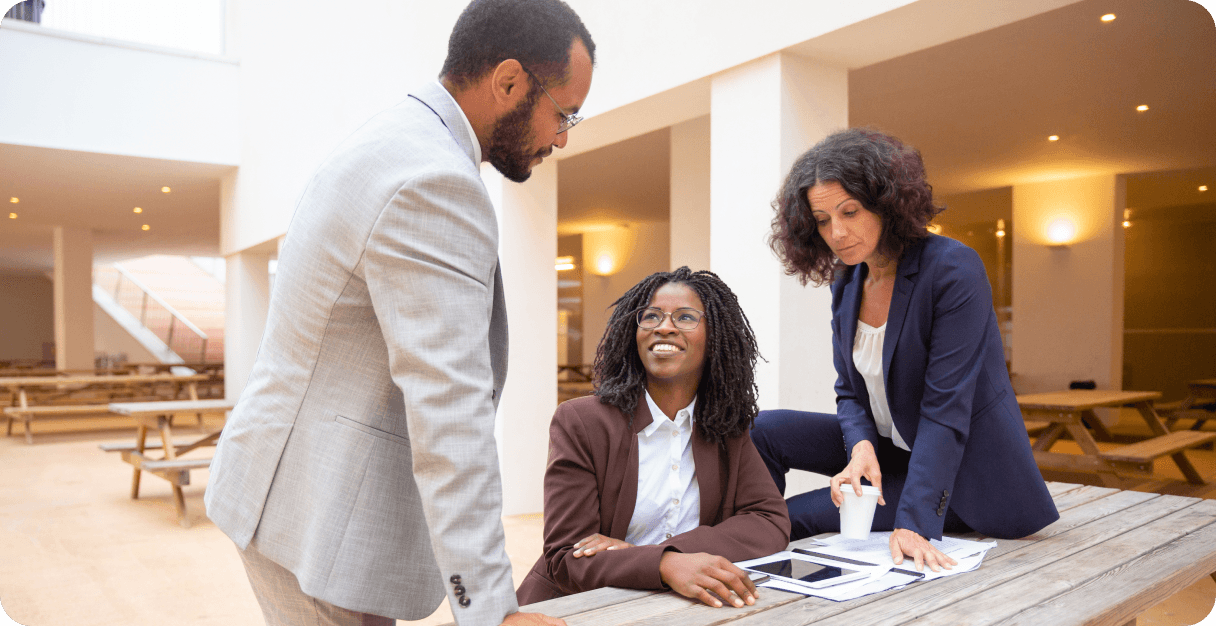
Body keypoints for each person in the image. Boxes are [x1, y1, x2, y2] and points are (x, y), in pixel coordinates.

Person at [203, 1, 595, 624]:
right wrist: (492, 609)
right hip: (326, 526)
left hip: (288, 496)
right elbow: (450, 410)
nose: (564, 136)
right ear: (510, 81)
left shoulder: (394, 139)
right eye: (564, 112)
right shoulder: (433, 181)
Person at [752, 128, 1059, 573]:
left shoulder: (953, 269)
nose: (836, 232)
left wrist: (914, 523)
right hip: (890, 451)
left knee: (796, 515)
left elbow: (945, 408)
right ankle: (739, 527)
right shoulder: (848, 281)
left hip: (958, 476)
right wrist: (859, 447)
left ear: (885, 202)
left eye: (850, 211)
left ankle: (737, 548)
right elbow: (850, 391)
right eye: (821, 220)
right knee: (765, 429)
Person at [516, 267, 791, 608]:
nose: (665, 326)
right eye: (651, 316)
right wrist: (665, 564)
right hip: (575, 609)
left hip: (673, 609)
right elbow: (566, 556)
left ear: (716, 336)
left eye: (686, 317)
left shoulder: (725, 427)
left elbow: (769, 520)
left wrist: (658, 554)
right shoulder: (581, 422)